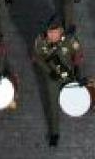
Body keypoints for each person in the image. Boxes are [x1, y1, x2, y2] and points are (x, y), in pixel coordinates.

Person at [32, 15, 85, 148]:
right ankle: (54, 133)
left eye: (55, 32)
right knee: (52, 104)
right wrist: (49, 72)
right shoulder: (41, 41)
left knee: (78, 94)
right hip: (52, 77)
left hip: (69, 75)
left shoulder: (70, 40)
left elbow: (78, 56)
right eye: (50, 32)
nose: (52, 35)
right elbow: (37, 58)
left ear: (61, 31)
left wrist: (78, 73)